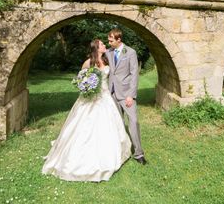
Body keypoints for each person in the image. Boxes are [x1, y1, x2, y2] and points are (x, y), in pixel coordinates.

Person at [41, 39, 131, 182]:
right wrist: (88, 88)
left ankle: (109, 153)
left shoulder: (107, 61)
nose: (104, 46)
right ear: (96, 48)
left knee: (108, 126)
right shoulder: (88, 63)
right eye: (102, 44)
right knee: (84, 127)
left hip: (105, 98)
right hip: (91, 99)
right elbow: (80, 80)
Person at [106, 28, 147, 165]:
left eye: (111, 40)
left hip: (126, 95)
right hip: (112, 93)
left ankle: (139, 153)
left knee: (133, 121)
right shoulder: (108, 52)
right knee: (118, 123)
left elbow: (134, 74)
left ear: (119, 39)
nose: (109, 42)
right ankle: (121, 150)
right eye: (108, 40)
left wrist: (131, 95)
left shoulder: (130, 52)